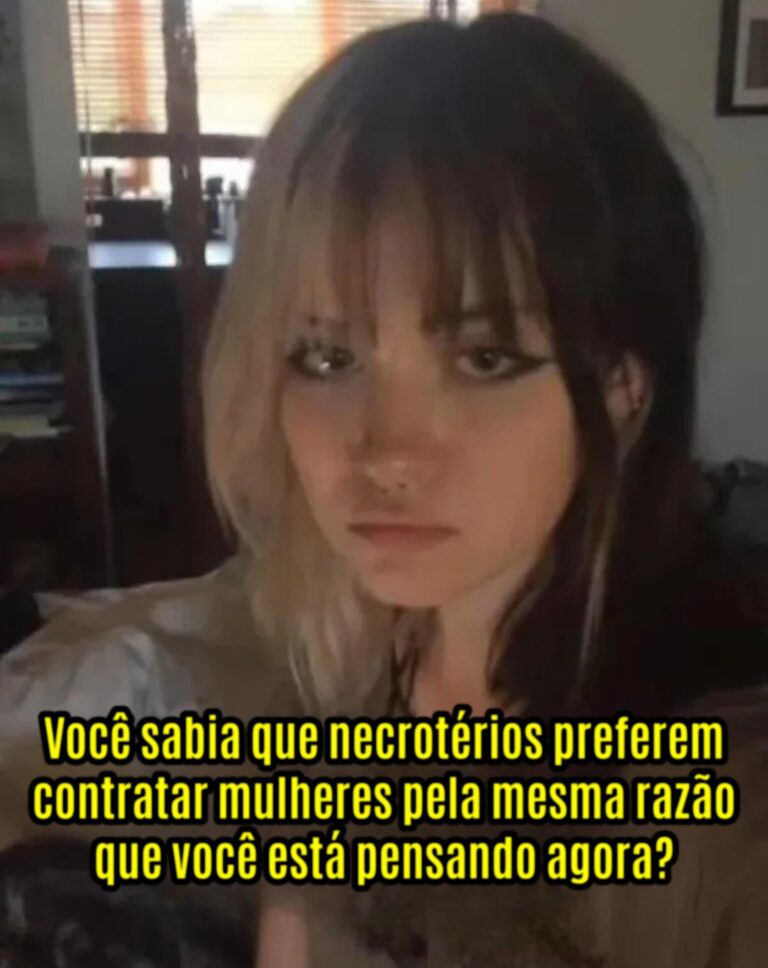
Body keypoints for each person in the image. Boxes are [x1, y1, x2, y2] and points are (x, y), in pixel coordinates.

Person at [200, 11, 768, 967]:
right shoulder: (342, 665)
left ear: (624, 387)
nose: (386, 454)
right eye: (328, 356)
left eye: (486, 357)